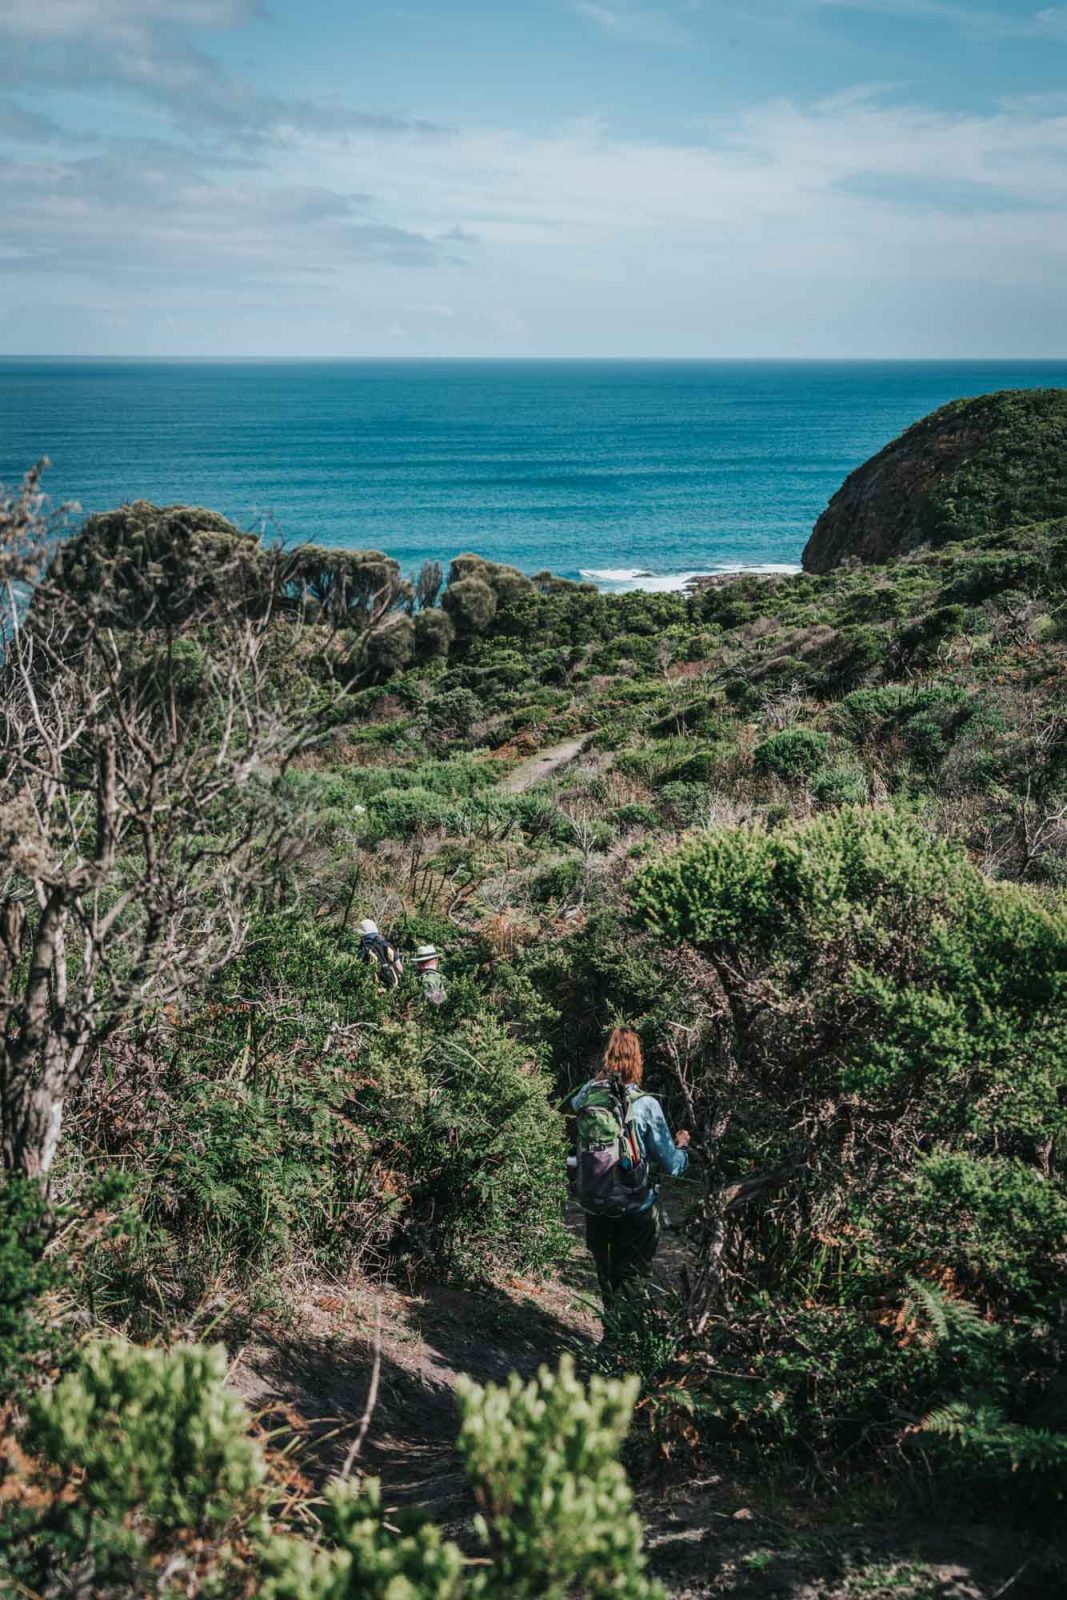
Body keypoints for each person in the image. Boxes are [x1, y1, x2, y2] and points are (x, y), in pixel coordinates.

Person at [570, 1027, 690, 1304]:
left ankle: (611, 1334)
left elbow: (576, 1103)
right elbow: (672, 1165)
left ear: (607, 1057)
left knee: (607, 1273)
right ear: (638, 1060)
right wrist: (683, 1147)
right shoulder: (646, 1104)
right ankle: (621, 1341)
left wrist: (599, 1078)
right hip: (635, 1207)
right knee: (633, 1276)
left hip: (596, 1201)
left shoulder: (588, 1095)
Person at [358, 918, 404, 989]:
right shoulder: (387, 945)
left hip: (371, 988)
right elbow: (398, 967)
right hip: (391, 986)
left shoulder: (363, 948)